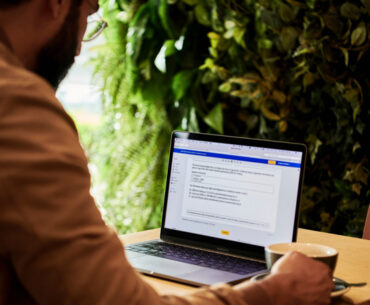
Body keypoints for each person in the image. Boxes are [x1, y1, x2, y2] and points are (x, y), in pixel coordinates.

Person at [0, 0, 334, 304]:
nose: (78, 47)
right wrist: (274, 291)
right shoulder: (19, 107)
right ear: (57, 4)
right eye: (89, 12)